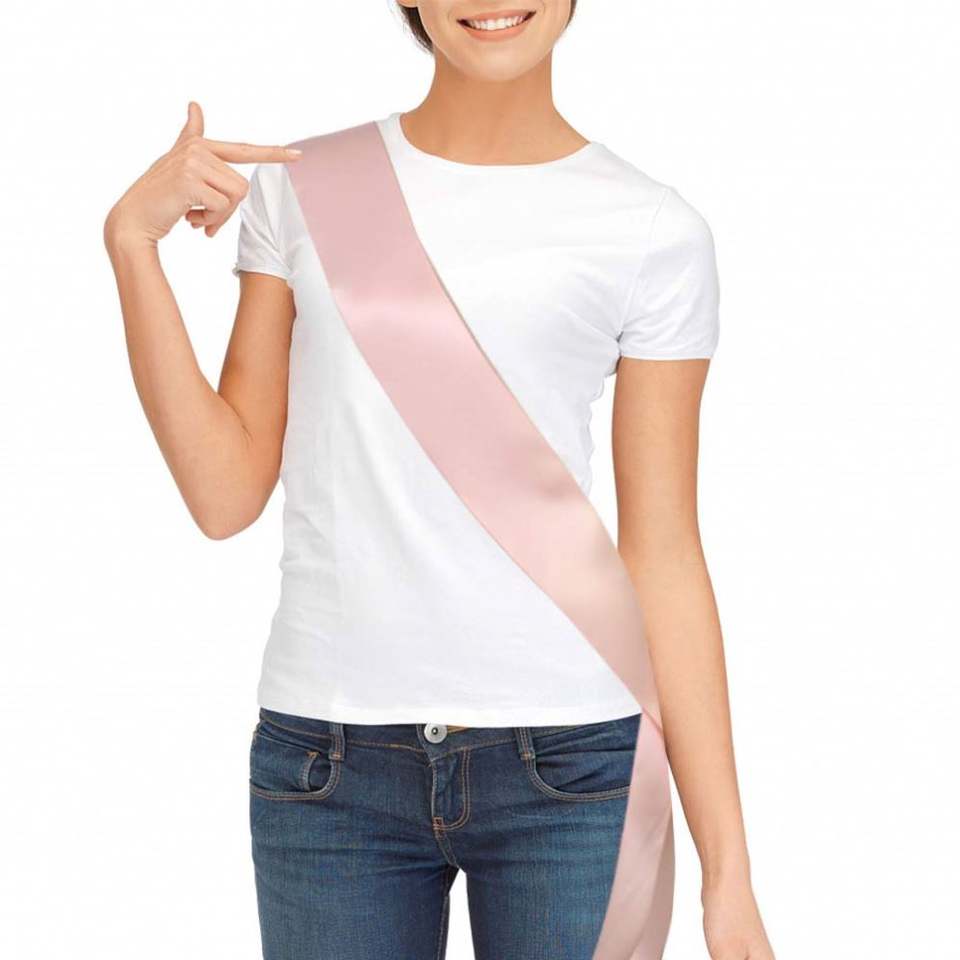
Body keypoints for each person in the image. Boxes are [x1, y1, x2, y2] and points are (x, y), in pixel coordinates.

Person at [102, 2, 774, 958]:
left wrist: (729, 872)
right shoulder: (304, 187)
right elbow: (223, 495)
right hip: (328, 765)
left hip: (571, 768)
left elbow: (663, 552)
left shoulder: (654, 230)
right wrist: (133, 247)